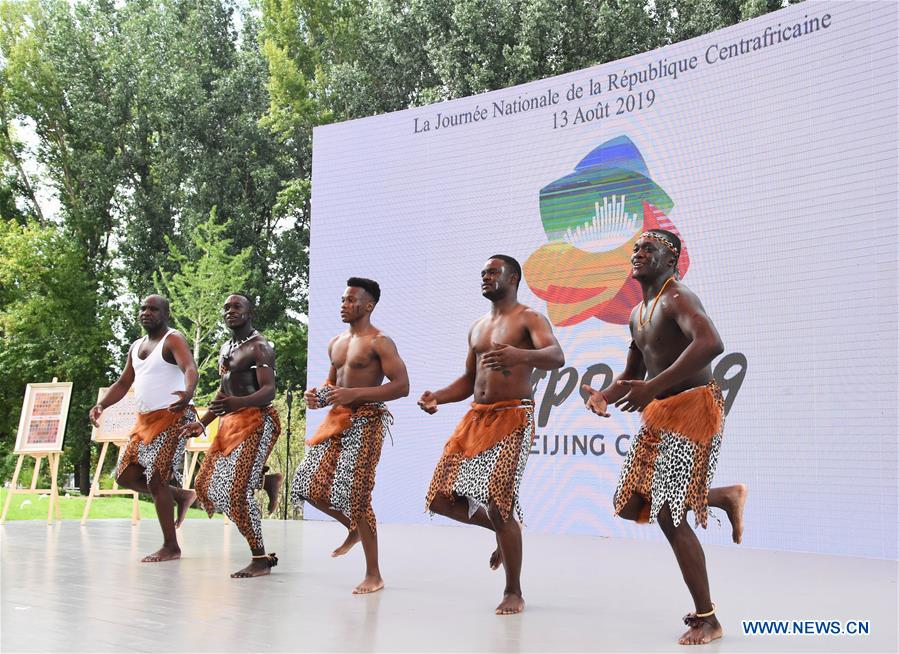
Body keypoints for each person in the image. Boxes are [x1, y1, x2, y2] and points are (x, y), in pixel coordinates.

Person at [581, 229, 747, 645]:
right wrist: (604, 396)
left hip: (694, 408)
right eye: (635, 248)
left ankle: (708, 618)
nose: (638, 253)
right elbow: (634, 377)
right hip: (662, 412)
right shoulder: (637, 313)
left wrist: (653, 389)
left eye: (648, 248)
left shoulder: (678, 297)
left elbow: (711, 343)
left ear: (671, 259)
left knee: (670, 513)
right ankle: (723, 495)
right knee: (634, 497)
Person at [419, 255, 564, 615]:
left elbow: (557, 355)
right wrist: (437, 395)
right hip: (476, 417)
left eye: (493, 272)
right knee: (439, 497)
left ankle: (513, 590)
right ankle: (503, 532)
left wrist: (519, 354)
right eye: (483, 273)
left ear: (513, 278)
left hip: (513, 415)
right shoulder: (478, 326)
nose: (486, 277)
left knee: (500, 503)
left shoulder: (529, 318)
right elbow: (469, 382)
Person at [293, 277, 409, 594]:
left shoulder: (380, 342)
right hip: (337, 419)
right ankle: (354, 528)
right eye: (343, 300)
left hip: (367, 421)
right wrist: (317, 396)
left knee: (357, 495)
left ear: (368, 305)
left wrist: (353, 393)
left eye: (351, 300)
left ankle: (374, 574)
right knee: (305, 484)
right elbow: (332, 385)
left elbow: (402, 386)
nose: (344, 305)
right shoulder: (336, 342)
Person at [88, 294, 199, 562]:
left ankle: (171, 546)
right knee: (125, 476)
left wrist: (188, 391)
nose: (146, 313)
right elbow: (123, 383)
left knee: (157, 478)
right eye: (143, 308)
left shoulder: (173, 339)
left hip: (174, 417)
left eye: (153, 309)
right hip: (145, 421)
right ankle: (181, 496)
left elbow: (190, 367)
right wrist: (101, 405)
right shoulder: (136, 346)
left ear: (165, 314)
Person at [180, 294, 282, 578]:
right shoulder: (227, 347)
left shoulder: (260, 347)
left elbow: (268, 391)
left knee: (237, 492)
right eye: (226, 307)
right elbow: (224, 391)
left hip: (258, 422)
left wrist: (237, 404)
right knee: (206, 485)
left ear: (251, 312)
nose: (230, 311)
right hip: (231, 423)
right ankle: (265, 480)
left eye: (237, 306)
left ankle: (260, 559)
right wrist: (202, 423)